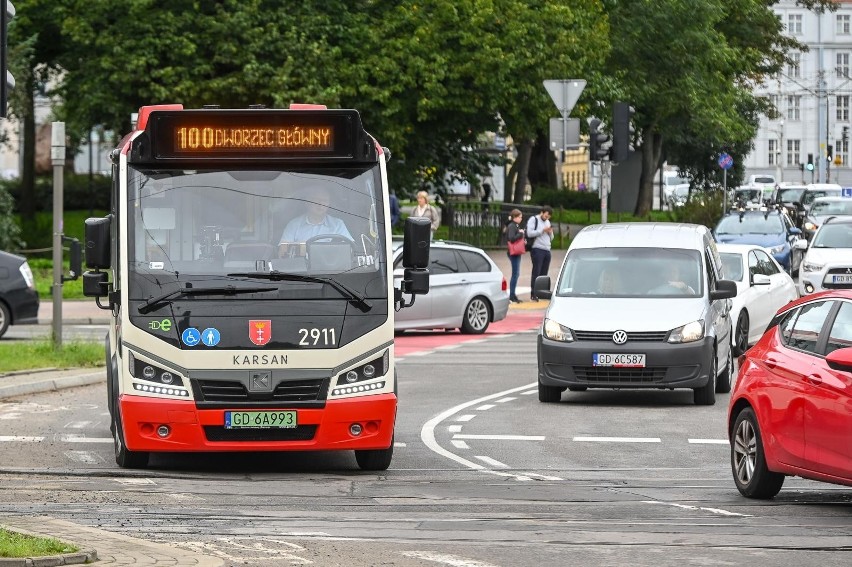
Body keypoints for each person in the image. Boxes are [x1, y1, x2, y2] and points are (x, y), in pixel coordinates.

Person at [278, 187, 353, 257]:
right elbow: (282, 252)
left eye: (325, 201)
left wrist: (303, 248)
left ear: (329, 204)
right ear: (307, 202)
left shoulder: (337, 224)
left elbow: (350, 249)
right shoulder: (294, 224)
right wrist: (309, 249)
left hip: (332, 269)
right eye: (316, 200)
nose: (321, 204)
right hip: (302, 269)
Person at [527, 205, 554, 301]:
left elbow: (552, 238)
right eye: (546, 216)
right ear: (542, 212)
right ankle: (533, 294)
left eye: (548, 217)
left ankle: (541, 293)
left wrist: (550, 232)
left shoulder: (548, 222)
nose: (547, 218)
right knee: (536, 272)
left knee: (544, 274)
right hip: (537, 248)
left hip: (547, 249)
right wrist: (542, 230)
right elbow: (530, 233)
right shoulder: (534, 219)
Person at [505, 209, 525, 303]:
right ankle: (512, 295)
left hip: (516, 252)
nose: (521, 219)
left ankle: (513, 295)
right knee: (515, 274)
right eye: (520, 217)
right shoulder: (512, 226)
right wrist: (520, 234)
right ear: (515, 217)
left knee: (516, 274)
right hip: (514, 252)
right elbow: (511, 238)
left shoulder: (514, 225)